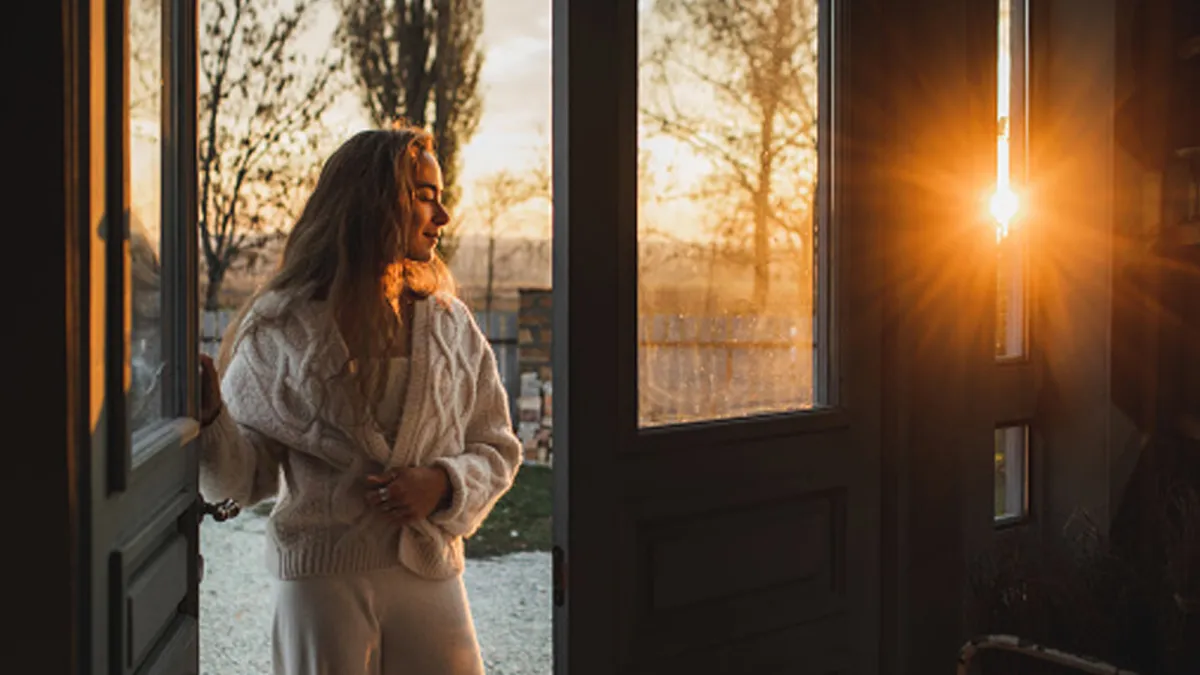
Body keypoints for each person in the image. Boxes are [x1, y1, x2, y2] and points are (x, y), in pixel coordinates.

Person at [196, 127, 522, 675]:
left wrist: (443, 483)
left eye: (441, 198)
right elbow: (240, 480)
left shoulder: (450, 326)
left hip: (430, 572)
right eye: (424, 196)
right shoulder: (280, 326)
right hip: (324, 584)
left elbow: (498, 447)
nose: (442, 217)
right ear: (370, 201)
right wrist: (209, 421)